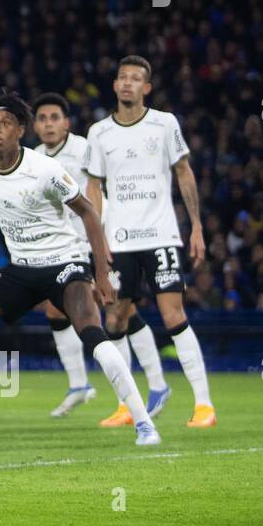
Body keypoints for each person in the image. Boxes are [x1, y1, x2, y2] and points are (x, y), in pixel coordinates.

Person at [0, 92, 161, 447]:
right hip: (22, 269)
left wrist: (100, 274)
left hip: (65, 264)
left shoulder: (44, 169)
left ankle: (144, 422)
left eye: (5, 124)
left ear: (21, 130)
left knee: (91, 333)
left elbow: (88, 211)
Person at [86, 56, 217, 428]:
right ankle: (128, 405)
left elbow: (184, 172)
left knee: (173, 314)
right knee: (115, 316)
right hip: (118, 241)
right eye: (122, 77)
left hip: (160, 235)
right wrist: (98, 241)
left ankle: (204, 406)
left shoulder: (164, 124)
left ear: (147, 88)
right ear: (114, 85)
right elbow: (93, 189)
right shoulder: (99, 132)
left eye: (135, 79)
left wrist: (196, 227)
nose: (127, 83)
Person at [31, 92, 98, 416]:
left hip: (95, 243)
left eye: (54, 117)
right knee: (57, 313)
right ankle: (79, 385)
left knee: (109, 315)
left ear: (67, 123)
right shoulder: (33, 157)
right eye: (42, 119)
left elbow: (103, 193)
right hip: (61, 247)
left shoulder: (85, 149)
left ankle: (135, 392)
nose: (48, 124)